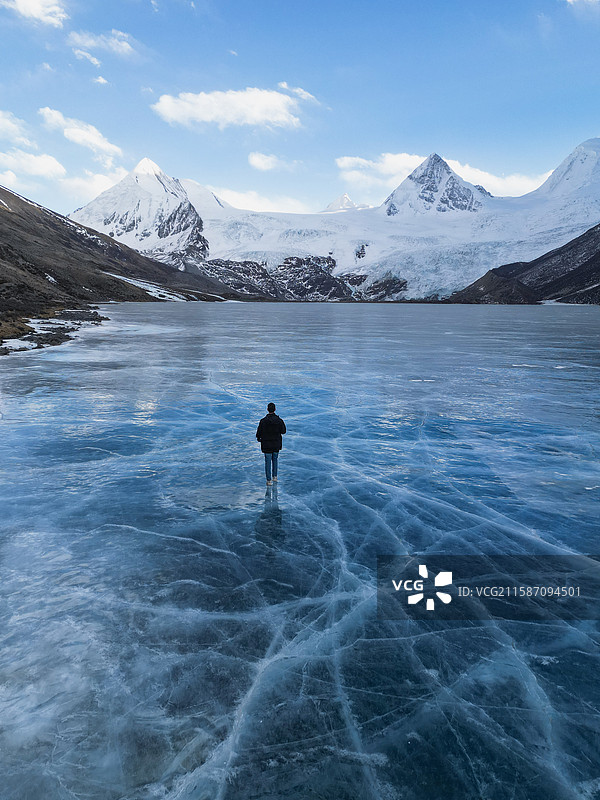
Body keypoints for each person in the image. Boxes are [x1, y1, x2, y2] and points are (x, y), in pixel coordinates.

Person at [256, 402, 286, 485]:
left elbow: (258, 433)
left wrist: (259, 438)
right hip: (276, 444)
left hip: (266, 445)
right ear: (275, 409)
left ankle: (269, 480)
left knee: (268, 462)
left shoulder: (263, 421)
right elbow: (283, 431)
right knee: (275, 460)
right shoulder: (279, 421)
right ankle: (275, 477)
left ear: (267, 409)